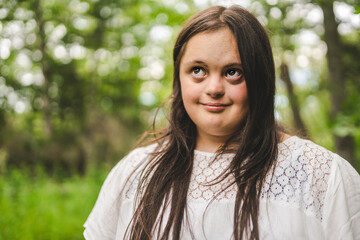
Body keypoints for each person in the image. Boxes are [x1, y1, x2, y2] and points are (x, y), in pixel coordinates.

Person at [83, 5, 360, 240]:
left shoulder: (320, 174)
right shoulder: (136, 172)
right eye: (198, 70)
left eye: (232, 72)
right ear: (179, 78)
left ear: (259, 79)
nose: (214, 87)